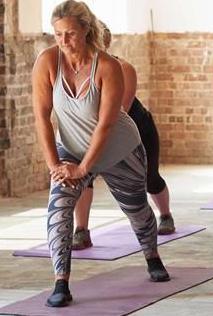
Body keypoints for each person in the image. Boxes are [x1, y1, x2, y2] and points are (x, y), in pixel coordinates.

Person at [32, 0, 169, 307]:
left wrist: (84, 170)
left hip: (118, 147)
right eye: (57, 35)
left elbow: (106, 125)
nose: (64, 41)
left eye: (70, 33)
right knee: (58, 209)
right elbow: (42, 116)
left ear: (86, 29)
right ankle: (61, 283)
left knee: (135, 208)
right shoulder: (47, 61)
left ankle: (152, 256)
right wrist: (55, 164)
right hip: (71, 146)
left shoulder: (107, 66)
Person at [71, 22, 176, 250]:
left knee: (149, 178)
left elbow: (120, 112)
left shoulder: (123, 68)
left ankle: (165, 215)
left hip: (135, 131)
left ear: (106, 43)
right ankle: (81, 230)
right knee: (84, 177)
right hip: (96, 131)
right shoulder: (80, 70)